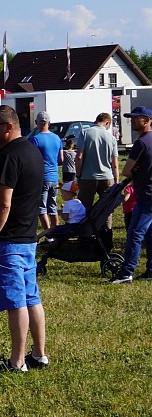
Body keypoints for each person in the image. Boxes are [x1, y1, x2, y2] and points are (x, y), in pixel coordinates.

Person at [0, 105, 49, 373]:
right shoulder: (30, 150)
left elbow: (3, 204)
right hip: (28, 236)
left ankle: (17, 361)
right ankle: (39, 354)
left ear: (8, 127)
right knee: (32, 297)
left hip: (8, 240)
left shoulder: (10, 157)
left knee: (16, 302)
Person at [111, 106, 152, 284]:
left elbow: (127, 170)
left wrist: (136, 170)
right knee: (150, 233)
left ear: (148, 120)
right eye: (131, 117)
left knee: (135, 233)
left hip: (146, 194)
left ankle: (126, 272)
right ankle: (151, 269)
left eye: (137, 118)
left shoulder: (141, 143)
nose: (132, 120)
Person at [76, 113, 120, 228]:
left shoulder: (85, 133)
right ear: (107, 123)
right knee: (106, 208)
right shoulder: (111, 138)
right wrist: (116, 180)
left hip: (87, 177)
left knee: (84, 208)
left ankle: (85, 234)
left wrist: (78, 174)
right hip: (107, 177)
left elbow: (79, 157)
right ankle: (106, 234)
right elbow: (115, 164)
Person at [29, 111, 63, 230]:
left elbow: (31, 159)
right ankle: (57, 232)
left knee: (41, 207)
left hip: (41, 177)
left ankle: (48, 234)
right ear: (49, 123)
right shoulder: (57, 138)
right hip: (54, 177)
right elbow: (61, 159)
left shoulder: (35, 140)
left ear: (36, 123)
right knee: (53, 206)